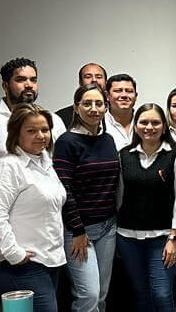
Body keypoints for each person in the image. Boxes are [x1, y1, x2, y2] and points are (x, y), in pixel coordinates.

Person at [0, 104, 67, 312]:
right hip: (19, 264)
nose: (40, 135)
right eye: (31, 130)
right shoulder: (6, 167)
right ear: (15, 134)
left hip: (49, 260)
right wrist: (13, 253)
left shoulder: (46, 164)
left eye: (45, 130)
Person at [116, 104, 176, 312]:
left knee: (161, 293)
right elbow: (118, 196)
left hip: (162, 238)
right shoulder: (124, 155)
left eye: (155, 122)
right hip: (127, 237)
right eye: (143, 122)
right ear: (136, 125)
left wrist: (174, 237)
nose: (149, 127)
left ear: (164, 126)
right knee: (139, 293)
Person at [53, 84, 120, 312]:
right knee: (88, 295)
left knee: (101, 294)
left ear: (106, 106)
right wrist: (78, 230)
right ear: (76, 107)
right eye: (87, 103)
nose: (94, 109)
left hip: (108, 227)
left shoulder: (108, 140)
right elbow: (64, 188)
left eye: (99, 103)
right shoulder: (66, 142)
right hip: (79, 232)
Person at [0, 58, 67, 163]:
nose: (29, 85)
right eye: (20, 79)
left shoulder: (53, 120)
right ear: (5, 86)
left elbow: (64, 163)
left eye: (33, 80)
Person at [56, 63, 107, 129]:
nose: (94, 80)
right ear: (80, 82)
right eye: (88, 77)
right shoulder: (62, 117)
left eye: (99, 77)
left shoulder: (115, 114)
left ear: (106, 82)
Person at [104, 74, 138, 151]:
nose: (124, 95)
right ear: (107, 96)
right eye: (118, 91)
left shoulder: (146, 124)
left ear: (135, 96)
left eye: (129, 91)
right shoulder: (98, 125)